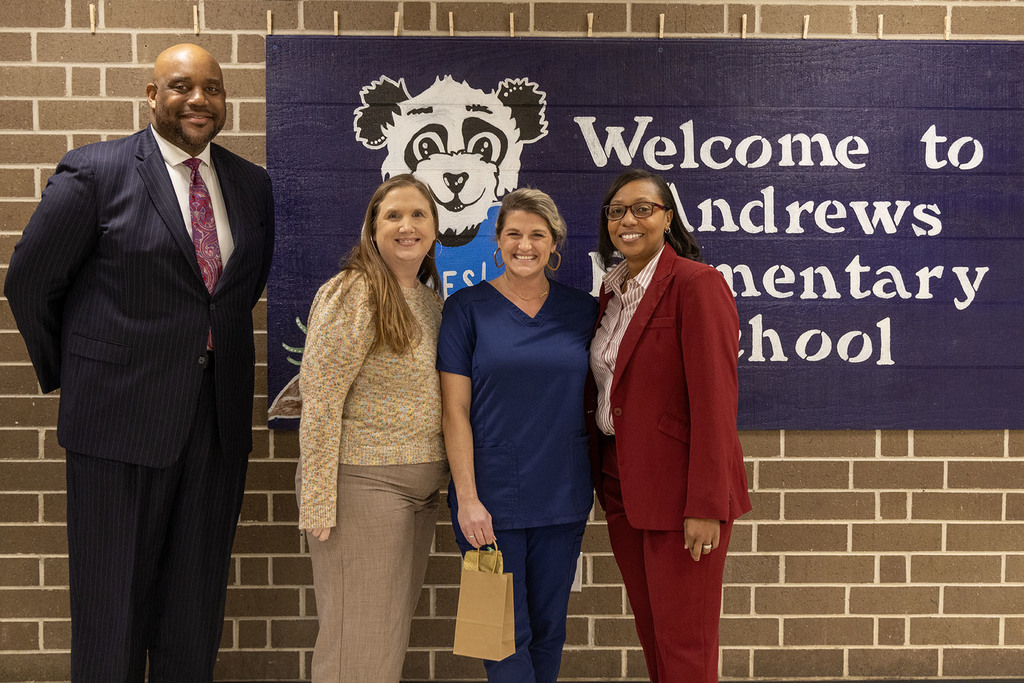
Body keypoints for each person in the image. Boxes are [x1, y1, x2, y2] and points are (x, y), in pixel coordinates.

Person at [3, 44, 275, 681]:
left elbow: (235, 294)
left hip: (214, 426)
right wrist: (87, 372)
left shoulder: (249, 184)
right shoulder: (95, 174)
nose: (199, 99)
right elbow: (30, 283)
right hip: (116, 426)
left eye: (212, 88)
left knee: (194, 609)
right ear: (151, 96)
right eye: (181, 86)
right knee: (112, 611)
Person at [589, 169, 752, 683]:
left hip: (682, 496)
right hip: (623, 486)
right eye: (617, 211)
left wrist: (706, 505)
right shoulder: (613, 294)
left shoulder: (696, 285)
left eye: (642, 208)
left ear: (667, 217)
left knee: (685, 646)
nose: (628, 220)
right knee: (655, 634)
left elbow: (715, 403)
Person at [438, 188, 598, 682]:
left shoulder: (584, 312)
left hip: (562, 495)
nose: (524, 244)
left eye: (537, 235)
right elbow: (454, 410)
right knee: (499, 633)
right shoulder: (465, 309)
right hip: (488, 502)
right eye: (513, 234)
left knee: (549, 629)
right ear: (496, 242)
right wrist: (467, 498)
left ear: (554, 246)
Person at [296, 174, 449, 683]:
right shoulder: (354, 291)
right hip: (365, 486)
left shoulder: (429, 301)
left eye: (418, 215)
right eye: (393, 216)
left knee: (385, 642)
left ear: (434, 228)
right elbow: (320, 397)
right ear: (373, 228)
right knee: (355, 648)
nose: (407, 226)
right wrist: (317, 497)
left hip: (422, 492)